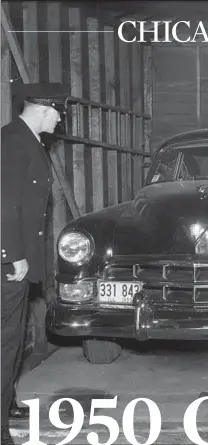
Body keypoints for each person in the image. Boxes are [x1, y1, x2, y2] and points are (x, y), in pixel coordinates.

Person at [1, 82, 70, 445]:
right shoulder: (13, 141)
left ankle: (7, 403)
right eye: (58, 112)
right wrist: (13, 255)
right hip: (9, 263)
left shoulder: (27, 140)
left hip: (18, 260)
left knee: (12, 337)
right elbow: (4, 203)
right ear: (44, 109)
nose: (60, 119)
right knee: (5, 340)